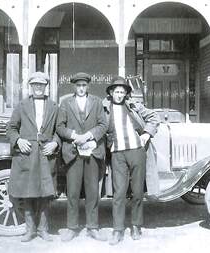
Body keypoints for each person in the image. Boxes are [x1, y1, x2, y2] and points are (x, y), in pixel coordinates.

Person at [103, 76, 160, 245]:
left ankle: (136, 225)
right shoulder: (104, 108)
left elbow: (154, 117)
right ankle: (118, 229)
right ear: (111, 93)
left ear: (126, 93)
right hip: (117, 154)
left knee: (137, 192)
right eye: (116, 92)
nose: (119, 95)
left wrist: (147, 134)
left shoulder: (134, 106)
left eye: (122, 92)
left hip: (137, 152)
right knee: (119, 193)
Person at [6, 72, 60, 242]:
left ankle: (44, 229)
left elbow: (60, 129)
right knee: (27, 192)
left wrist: (56, 143)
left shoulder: (53, 106)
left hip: (46, 154)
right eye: (35, 84)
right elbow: (11, 128)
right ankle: (30, 230)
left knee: (45, 193)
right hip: (27, 154)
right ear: (31, 86)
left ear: (46, 87)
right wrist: (18, 140)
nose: (38, 87)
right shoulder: (21, 106)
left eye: (41, 85)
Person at [56, 72, 108, 242]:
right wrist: (74, 136)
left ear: (88, 86)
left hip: (92, 152)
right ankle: (72, 227)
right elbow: (59, 127)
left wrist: (88, 136)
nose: (81, 88)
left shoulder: (97, 102)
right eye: (78, 86)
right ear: (74, 87)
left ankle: (93, 227)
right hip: (73, 153)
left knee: (93, 192)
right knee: (72, 192)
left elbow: (103, 125)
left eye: (84, 86)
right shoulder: (65, 103)